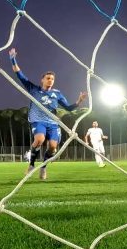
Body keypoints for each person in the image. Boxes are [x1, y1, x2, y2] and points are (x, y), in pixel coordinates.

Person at [9, 48, 86, 180]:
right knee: (39, 140)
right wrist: (12, 59)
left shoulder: (57, 93)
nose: (50, 80)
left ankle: (43, 167)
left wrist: (79, 101)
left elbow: (68, 108)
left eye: (52, 79)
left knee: (52, 148)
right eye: (48, 78)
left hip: (53, 123)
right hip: (38, 121)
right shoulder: (33, 89)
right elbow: (19, 74)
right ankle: (31, 165)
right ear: (42, 80)